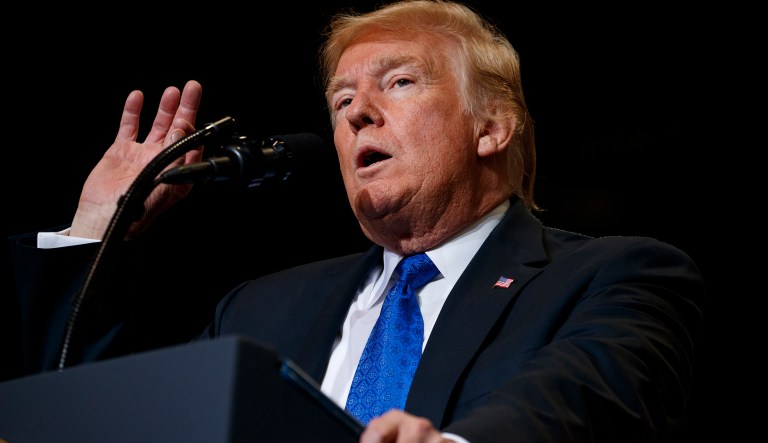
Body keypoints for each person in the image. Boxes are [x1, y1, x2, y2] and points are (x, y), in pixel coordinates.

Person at [8, 0, 704, 442]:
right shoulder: (259, 308)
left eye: (399, 82)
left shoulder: (614, 276)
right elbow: (96, 424)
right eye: (342, 98)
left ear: (492, 127)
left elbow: (576, 401)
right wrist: (98, 227)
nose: (357, 112)